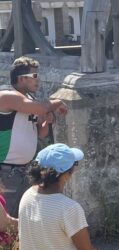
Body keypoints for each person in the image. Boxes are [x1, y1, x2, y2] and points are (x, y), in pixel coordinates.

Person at [0, 56, 68, 217]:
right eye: (35, 76)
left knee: (23, 217)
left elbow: (40, 133)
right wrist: (57, 102)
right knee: (5, 221)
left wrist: (47, 122)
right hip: (6, 171)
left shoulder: (29, 101)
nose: (39, 81)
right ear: (22, 79)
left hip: (24, 169)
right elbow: (43, 107)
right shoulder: (8, 96)